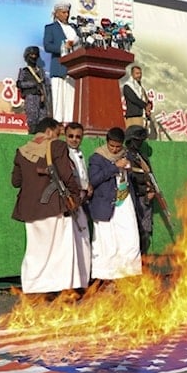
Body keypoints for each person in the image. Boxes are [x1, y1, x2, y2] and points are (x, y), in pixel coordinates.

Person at [11, 117, 83, 295]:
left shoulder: (22, 151)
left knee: (35, 250)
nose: (58, 136)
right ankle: (58, 290)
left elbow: (15, 181)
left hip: (29, 208)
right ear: (50, 131)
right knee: (60, 249)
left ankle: (34, 289)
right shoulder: (56, 146)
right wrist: (76, 196)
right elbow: (67, 176)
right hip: (53, 206)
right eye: (58, 132)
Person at [88, 127, 143, 280]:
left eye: (118, 146)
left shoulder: (126, 155)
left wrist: (130, 168)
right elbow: (94, 179)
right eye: (112, 146)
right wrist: (114, 167)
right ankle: (105, 277)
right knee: (106, 242)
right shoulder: (97, 158)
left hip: (124, 202)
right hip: (105, 204)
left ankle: (128, 274)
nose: (114, 149)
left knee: (130, 238)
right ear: (107, 143)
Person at [64, 122, 92, 286]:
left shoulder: (80, 153)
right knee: (71, 243)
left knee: (84, 239)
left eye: (78, 137)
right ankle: (71, 283)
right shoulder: (63, 154)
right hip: (70, 202)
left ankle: (83, 281)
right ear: (65, 136)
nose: (74, 140)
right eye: (71, 136)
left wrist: (88, 186)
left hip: (81, 202)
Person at [42, 3, 79, 122]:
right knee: (58, 97)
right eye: (63, 12)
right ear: (57, 13)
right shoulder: (50, 28)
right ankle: (57, 123)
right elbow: (47, 46)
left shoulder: (73, 29)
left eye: (67, 12)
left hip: (72, 68)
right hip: (59, 66)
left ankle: (69, 122)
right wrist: (64, 46)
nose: (66, 15)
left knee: (70, 97)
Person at [124, 125, 157, 254]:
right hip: (133, 198)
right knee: (134, 232)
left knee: (145, 233)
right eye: (137, 140)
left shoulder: (141, 157)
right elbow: (130, 176)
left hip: (144, 198)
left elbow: (150, 175)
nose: (139, 143)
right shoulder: (125, 155)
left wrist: (151, 189)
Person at [16, 46, 52, 134]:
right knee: (32, 122)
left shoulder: (41, 71)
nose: (34, 57)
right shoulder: (24, 71)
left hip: (42, 99)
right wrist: (33, 85)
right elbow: (19, 84)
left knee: (43, 122)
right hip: (31, 97)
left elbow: (46, 84)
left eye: (35, 55)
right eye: (31, 54)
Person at [122, 64, 153, 130]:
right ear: (132, 74)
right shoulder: (128, 86)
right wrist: (145, 105)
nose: (139, 75)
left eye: (140, 73)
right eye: (137, 73)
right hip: (134, 117)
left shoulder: (140, 87)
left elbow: (145, 99)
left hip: (142, 116)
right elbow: (134, 99)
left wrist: (148, 106)